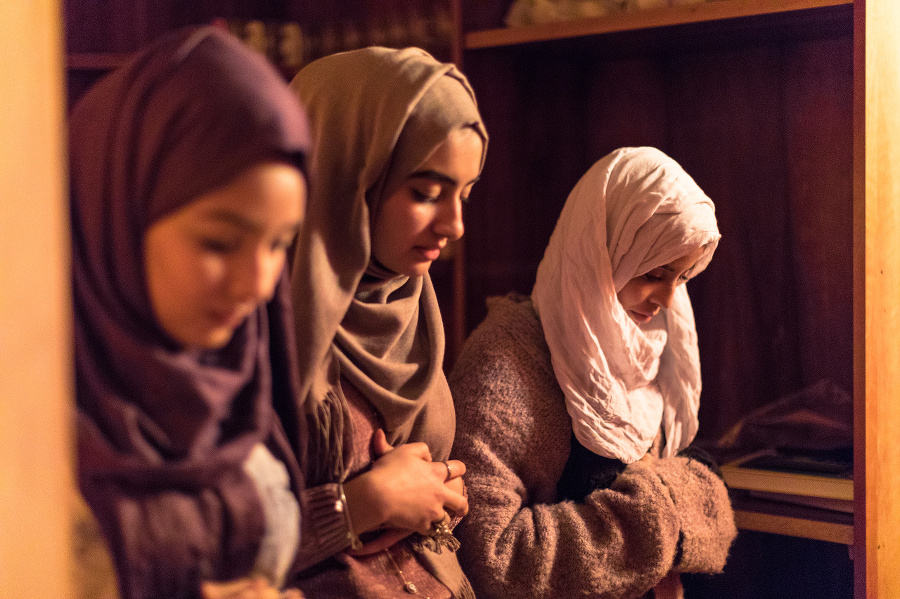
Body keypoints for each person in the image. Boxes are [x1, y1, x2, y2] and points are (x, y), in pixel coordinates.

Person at [71, 25, 314, 599]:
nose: (258, 284)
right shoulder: (28, 421)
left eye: (280, 244)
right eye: (218, 243)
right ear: (118, 218)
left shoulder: (240, 378)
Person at [449, 147, 737, 599]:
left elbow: (712, 510)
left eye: (681, 278)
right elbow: (487, 555)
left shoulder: (652, 348)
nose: (666, 299)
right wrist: (659, 516)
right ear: (602, 252)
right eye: (654, 272)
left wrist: (669, 497)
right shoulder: (507, 361)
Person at [284, 47, 488, 598]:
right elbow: (208, 547)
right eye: (425, 193)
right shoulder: (258, 326)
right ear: (349, 173)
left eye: (465, 194)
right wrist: (361, 505)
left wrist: (437, 499)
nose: (455, 224)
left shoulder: (410, 305)